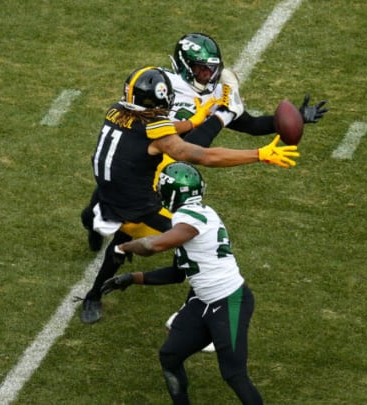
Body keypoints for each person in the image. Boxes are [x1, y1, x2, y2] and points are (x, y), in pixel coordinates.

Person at [77, 65, 299, 324]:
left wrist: (194, 121)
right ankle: (97, 295)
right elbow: (200, 155)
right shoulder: (154, 131)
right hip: (136, 204)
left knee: (100, 220)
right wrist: (258, 155)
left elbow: (162, 125)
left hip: (107, 187)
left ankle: (94, 229)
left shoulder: (116, 109)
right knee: (190, 244)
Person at [81, 32, 328, 252]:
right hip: (143, 160)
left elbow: (250, 125)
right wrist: (222, 114)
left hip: (162, 162)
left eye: (211, 69)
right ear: (185, 66)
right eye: (201, 69)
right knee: (98, 212)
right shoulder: (162, 87)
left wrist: (291, 119)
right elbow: (192, 147)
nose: (208, 75)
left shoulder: (216, 92)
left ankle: (104, 270)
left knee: (131, 223)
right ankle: (95, 229)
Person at [101, 162, 264, 405]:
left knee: (234, 374)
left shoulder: (189, 218)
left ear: (171, 193)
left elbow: (153, 245)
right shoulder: (194, 216)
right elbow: (177, 273)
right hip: (203, 301)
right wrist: (132, 278)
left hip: (229, 301)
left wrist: (123, 247)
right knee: (170, 355)